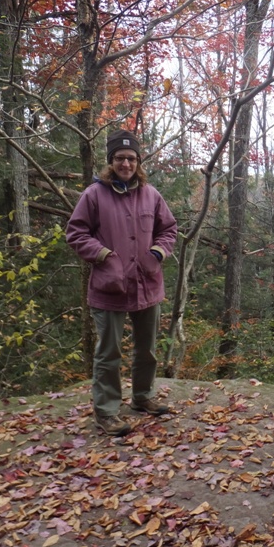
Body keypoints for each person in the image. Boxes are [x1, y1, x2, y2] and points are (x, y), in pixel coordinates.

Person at [66, 130, 178, 436]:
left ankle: (142, 397)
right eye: (119, 158)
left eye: (130, 158)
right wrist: (103, 254)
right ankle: (107, 411)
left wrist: (157, 252)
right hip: (110, 286)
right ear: (111, 162)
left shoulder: (151, 194)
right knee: (108, 353)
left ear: (138, 161)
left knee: (147, 350)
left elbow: (168, 229)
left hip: (148, 284)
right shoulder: (94, 195)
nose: (125, 164)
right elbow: (76, 233)